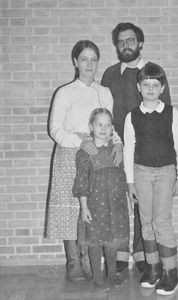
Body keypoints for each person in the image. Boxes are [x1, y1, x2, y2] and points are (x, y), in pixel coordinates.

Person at [45, 40, 123, 283]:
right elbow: (55, 129)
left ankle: (90, 261)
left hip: (98, 154)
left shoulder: (104, 92)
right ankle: (73, 263)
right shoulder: (65, 92)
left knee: (93, 208)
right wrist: (80, 142)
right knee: (70, 209)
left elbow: (109, 124)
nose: (89, 64)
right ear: (75, 62)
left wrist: (118, 142)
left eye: (94, 59)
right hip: (70, 152)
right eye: (84, 59)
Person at [101, 22, 171, 274]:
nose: (125, 46)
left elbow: (166, 115)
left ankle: (144, 253)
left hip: (146, 152)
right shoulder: (109, 74)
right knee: (117, 202)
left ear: (140, 43)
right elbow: (103, 114)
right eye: (120, 42)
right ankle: (120, 253)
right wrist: (110, 142)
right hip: (115, 148)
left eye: (130, 41)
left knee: (145, 206)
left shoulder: (153, 72)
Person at [123, 62, 178, 295]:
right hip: (140, 172)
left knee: (162, 222)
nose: (150, 89)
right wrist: (130, 182)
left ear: (162, 88)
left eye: (155, 85)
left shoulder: (172, 113)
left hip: (165, 172)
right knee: (146, 222)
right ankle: (153, 269)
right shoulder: (132, 117)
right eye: (146, 84)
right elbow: (128, 151)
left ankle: (171, 273)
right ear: (139, 87)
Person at [72, 108, 130, 290]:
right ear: (91, 126)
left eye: (107, 125)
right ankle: (98, 280)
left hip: (115, 203)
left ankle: (112, 275)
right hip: (95, 204)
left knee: (112, 241)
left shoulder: (117, 150)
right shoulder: (84, 153)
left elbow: (122, 177)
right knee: (95, 242)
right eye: (99, 124)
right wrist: (84, 207)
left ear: (112, 128)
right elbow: (81, 181)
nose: (103, 128)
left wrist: (126, 200)